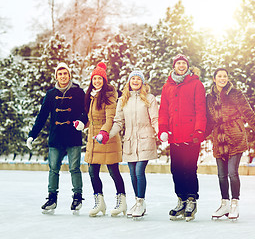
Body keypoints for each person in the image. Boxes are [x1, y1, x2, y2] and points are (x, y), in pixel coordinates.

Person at [206, 68, 255, 220]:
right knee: (221, 175)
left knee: (232, 173)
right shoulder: (209, 97)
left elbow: (249, 113)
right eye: (219, 76)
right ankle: (224, 204)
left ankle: (234, 203)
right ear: (214, 79)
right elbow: (208, 120)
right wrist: (197, 136)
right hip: (219, 138)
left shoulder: (235, 94)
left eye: (225, 76)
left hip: (235, 136)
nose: (223, 78)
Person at [26, 62, 88, 214]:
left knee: (74, 168)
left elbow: (86, 111)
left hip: (73, 136)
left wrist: (82, 121)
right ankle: (52, 198)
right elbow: (42, 116)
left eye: (65, 73)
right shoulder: (51, 94)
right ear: (56, 76)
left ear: (69, 75)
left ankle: (77, 197)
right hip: (56, 137)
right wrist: (32, 135)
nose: (62, 76)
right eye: (59, 74)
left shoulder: (79, 92)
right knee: (53, 169)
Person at [158, 54, 207, 222]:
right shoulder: (167, 86)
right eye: (178, 63)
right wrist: (163, 128)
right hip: (174, 135)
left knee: (189, 168)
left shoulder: (196, 84)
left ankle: (192, 199)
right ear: (174, 66)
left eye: (183, 63)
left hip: (191, 135)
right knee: (176, 170)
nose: (181, 66)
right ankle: (181, 199)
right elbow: (163, 110)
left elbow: (201, 109)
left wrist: (199, 130)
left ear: (187, 66)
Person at [110, 70, 159, 218]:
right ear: (129, 82)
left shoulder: (149, 98)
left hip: (145, 139)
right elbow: (119, 122)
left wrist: (159, 131)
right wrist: (108, 134)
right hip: (130, 141)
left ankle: (141, 201)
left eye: (138, 79)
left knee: (139, 171)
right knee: (132, 173)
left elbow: (155, 118)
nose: (135, 81)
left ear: (143, 83)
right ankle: (138, 202)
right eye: (133, 79)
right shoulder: (123, 100)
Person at [82, 62, 126, 217]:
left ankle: (122, 201)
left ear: (104, 80)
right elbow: (91, 118)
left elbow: (110, 119)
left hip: (106, 139)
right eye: (95, 79)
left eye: (100, 79)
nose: (97, 81)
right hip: (93, 140)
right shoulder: (91, 96)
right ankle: (99, 201)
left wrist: (103, 133)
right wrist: (82, 124)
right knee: (92, 172)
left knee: (113, 171)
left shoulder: (108, 95)